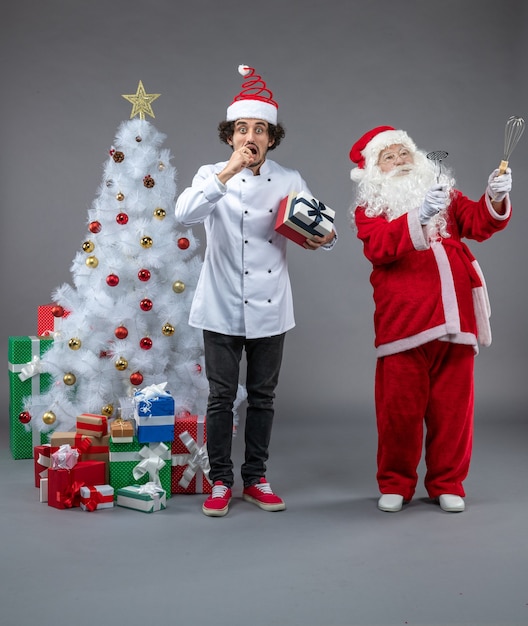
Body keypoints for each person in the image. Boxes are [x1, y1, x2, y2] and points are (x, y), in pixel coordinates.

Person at [175, 65, 336, 517]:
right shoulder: (212, 174)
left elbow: (317, 229)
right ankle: (221, 481)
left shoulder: (289, 178)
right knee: (221, 398)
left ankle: (256, 478)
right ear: (230, 136)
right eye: (242, 128)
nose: (251, 136)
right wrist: (228, 171)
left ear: (271, 137)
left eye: (260, 129)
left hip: (271, 307)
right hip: (221, 304)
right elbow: (184, 214)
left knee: (263, 397)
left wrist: (326, 238)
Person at [348, 125, 512, 513]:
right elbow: (378, 248)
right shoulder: (369, 209)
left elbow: (478, 223)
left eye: (404, 153)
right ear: (374, 170)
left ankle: (447, 482)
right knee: (399, 412)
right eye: (388, 157)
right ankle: (396, 483)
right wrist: (418, 217)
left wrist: (494, 197)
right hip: (403, 323)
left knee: (454, 410)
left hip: (457, 321)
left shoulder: (444, 195)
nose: (400, 161)